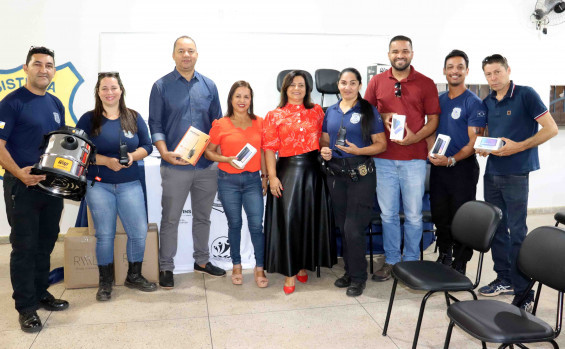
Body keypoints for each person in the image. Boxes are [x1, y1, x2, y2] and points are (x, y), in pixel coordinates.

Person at [477, 54, 558, 311]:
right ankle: (504, 279)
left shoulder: (526, 94)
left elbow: (551, 129)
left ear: (508, 70)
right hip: (492, 173)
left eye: (497, 72)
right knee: (497, 230)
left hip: (517, 173)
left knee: (517, 232)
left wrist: (518, 147)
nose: (493, 78)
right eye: (488, 74)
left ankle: (524, 293)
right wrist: (483, 146)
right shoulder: (487, 100)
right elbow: (490, 134)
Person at [0, 46, 69, 333]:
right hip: (22, 186)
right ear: (26, 69)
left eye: (49, 65)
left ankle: (41, 291)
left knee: (46, 242)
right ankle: (26, 307)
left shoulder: (55, 104)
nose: (44, 69)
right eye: (38, 64)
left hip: (50, 187)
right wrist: (19, 173)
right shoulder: (11, 103)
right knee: (24, 247)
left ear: (54, 71)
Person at [148, 35, 225, 288]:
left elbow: (218, 124)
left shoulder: (210, 86)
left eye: (190, 50)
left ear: (197, 54)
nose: (186, 55)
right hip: (174, 165)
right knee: (171, 218)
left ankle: (202, 261)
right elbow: (155, 124)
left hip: (206, 166)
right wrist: (164, 151)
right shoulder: (161, 86)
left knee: (203, 217)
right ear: (173, 55)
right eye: (181, 51)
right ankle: (166, 267)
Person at [364, 35, 440, 281]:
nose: (400, 55)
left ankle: (411, 262)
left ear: (412, 53)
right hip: (383, 159)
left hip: (415, 160)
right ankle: (392, 260)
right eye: (395, 51)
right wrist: (382, 113)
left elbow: (434, 121)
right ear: (389, 55)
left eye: (405, 51)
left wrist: (414, 138)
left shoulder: (426, 83)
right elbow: (365, 113)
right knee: (388, 215)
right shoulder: (376, 82)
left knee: (414, 214)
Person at [76, 72, 157, 301]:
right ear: (98, 92)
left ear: (121, 90)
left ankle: (134, 276)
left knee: (139, 232)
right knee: (104, 235)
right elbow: (79, 151)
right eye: (104, 88)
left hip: (130, 183)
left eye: (113, 88)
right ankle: (105, 283)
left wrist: (132, 156)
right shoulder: (88, 119)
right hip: (99, 185)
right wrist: (105, 161)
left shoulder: (133, 117)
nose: (109, 92)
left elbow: (148, 146)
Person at [263, 70, 337, 295]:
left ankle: (304, 264)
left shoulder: (316, 111)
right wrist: (272, 177)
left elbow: (324, 139)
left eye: (302, 85)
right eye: (292, 85)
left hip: (314, 172)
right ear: (285, 88)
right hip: (287, 172)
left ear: (308, 89)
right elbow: (269, 149)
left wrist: (326, 151)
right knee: (289, 222)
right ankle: (289, 273)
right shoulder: (274, 115)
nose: (297, 89)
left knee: (309, 221)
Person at [320, 68, 386, 297]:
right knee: (342, 228)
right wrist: (324, 151)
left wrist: (361, 150)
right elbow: (325, 139)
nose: (347, 87)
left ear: (359, 85)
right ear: (338, 85)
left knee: (353, 229)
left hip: (361, 176)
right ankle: (349, 271)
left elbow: (381, 144)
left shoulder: (368, 111)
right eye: (343, 83)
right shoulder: (331, 111)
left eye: (352, 83)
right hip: (336, 176)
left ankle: (359, 278)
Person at [204, 81, 268, 288]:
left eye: (246, 96)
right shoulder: (220, 124)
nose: (242, 101)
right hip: (227, 181)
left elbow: (266, 152)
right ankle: (237, 265)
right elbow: (209, 152)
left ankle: (260, 267)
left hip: (252, 181)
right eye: (238, 96)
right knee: (235, 224)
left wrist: (265, 177)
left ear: (251, 99)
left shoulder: (260, 122)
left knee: (256, 226)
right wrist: (226, 159)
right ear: (231, 99)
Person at [428, 50, 486, 274]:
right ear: (444, 70)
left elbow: (474, 140)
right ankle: (444, 254)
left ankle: (460, 262)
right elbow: (430, 130)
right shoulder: (438, 100)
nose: (455, 71)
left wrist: (451, 160)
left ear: (466, 71)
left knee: (462, 216)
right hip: (439, 166)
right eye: (450, 67)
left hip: (462, 167)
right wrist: (431, 154)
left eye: (459, 67)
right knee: (440, 213)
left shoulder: (474, 103)